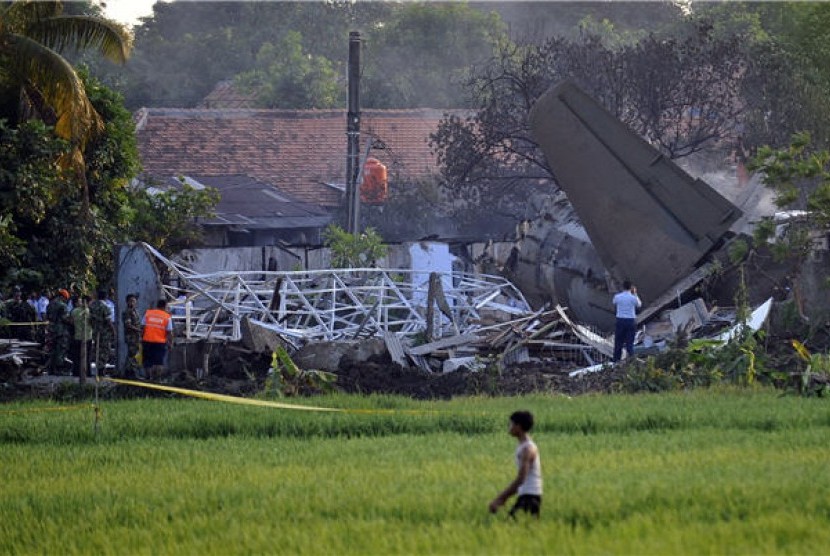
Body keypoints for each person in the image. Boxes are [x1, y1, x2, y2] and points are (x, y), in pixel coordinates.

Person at [488, 410, 543, 519]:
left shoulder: (527, 449)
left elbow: (521, 478)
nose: (509, 427)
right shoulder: (523, 446)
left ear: (518, 426)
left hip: (530, 497)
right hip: (527, 495)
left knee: (512, 527)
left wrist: (501, 498)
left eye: (511, 424)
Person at [141, 298, 173, 381]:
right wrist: (170, 343)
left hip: (147, 340)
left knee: (147, 361)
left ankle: (148, 378)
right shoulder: (167, 317)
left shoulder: (148, 313)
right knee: (158, 361)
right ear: (164, 306)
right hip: (160, 342)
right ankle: (157, 380)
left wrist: (141, 338)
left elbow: (142, 327)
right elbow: (169, 332)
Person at [612, 280, 641, 363]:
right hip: (630, 321)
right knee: (630, 343)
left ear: (622, 287)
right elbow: (639, 304)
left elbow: (614, 302)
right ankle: (631, 361)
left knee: (618, 342)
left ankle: (616, 361)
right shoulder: (633, 298)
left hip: (620, 320)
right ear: (631, 288)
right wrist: (635, 293)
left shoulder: (617, 296)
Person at [46, 289, 72, 374]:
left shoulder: (50, 304)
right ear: (62, 297)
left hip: (51, 330)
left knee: (52, 349)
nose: (66, 300)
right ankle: (59, 369)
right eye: (65, 298)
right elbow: (65, 319)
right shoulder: (63, 305)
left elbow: (47, 316)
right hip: (61, 330)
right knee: (60, 349)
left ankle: (51, 369)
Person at [89, 290, 115, 375]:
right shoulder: (105, 306)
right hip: (104, 332)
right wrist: (113, 331)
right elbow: (108, 321)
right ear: (106, 297)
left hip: (94, 331)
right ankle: (101, 368)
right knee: (104, 350)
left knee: (97, 349)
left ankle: (98, 366)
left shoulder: (91, 305)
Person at [70, 295, 92, 378]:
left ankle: (76, 372)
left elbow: (71, 322)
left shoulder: (74, 311)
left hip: (77, 336)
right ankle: (87, 373)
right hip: (88, 336)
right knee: (87, 356)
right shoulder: (89, 311)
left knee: (76, 356)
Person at [122, 293, 142, 378]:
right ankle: (130, 372)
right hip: (131, 337)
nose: (133, 303)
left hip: (136, 336)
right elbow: (128, 325)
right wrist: (139, 330)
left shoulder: (134, 311)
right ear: (127, 302)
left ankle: (129, 372)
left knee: (133, 354)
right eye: (131, 301)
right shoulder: (127, 312)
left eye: (134, 301)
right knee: (132, 354)